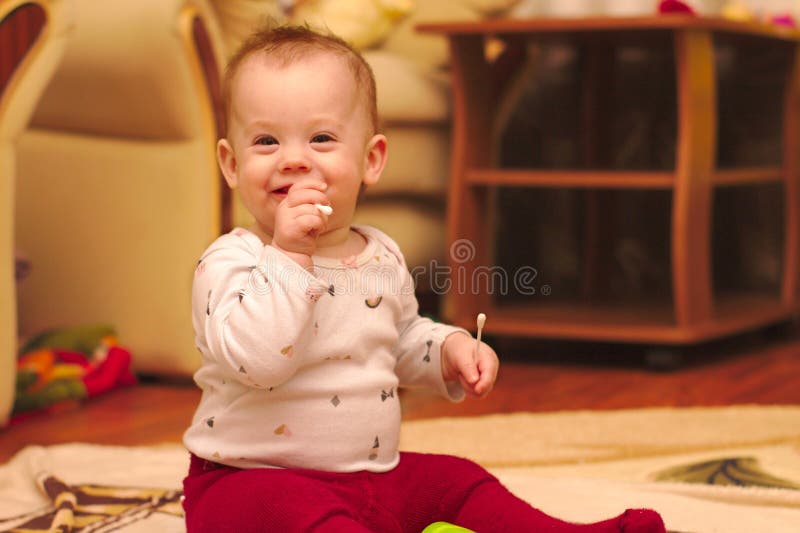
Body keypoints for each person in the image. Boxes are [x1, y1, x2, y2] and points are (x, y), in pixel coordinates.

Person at [181, 23, 667, 533]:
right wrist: (288, 254)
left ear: (370, 160)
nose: (295, 159)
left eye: (321, 138)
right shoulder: (231, 263)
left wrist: (450, 350)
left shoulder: (380, 255)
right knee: (292, 507)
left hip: (369, 480)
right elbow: (260, 361)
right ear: (232, 165)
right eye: (266, 141)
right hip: (246, 484)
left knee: (457, 482)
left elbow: (400, 339)